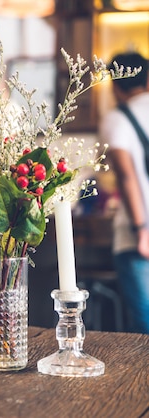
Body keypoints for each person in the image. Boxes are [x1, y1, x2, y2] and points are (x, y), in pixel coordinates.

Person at [99, 51, 149, 333]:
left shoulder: (117, 119)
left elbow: (126, 175)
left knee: (144, 327)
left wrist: (142, 230)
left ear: (114, 83)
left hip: (137, 238)